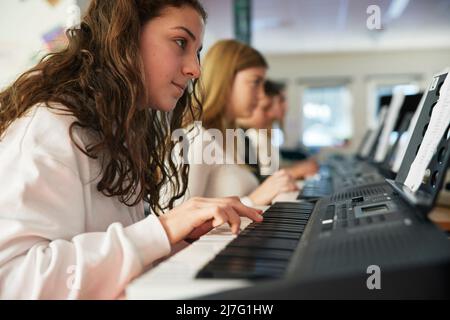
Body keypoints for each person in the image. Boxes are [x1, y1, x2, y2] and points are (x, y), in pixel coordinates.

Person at [0, 0, 263, 299]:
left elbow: (109, 269)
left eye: (197, 52)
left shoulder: (114, 135)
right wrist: (162, 230)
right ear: (125, 34)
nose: (195, 70)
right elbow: (12, 281)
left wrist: (176, 241)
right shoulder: (49, 127)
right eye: (180, 42)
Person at [175, 40, 298, 207]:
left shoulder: (234, 137)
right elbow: (177, 221)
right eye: (255, 82)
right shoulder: (196, 139)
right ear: (226, 81)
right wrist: (253, 200)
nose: (262, 95)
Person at [238, 80, 319, 179]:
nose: (286, 106)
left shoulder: (263, 135)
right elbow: (260, 179)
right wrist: (294, 172)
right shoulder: (252, 136)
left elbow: (271, 169)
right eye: (281, 100)